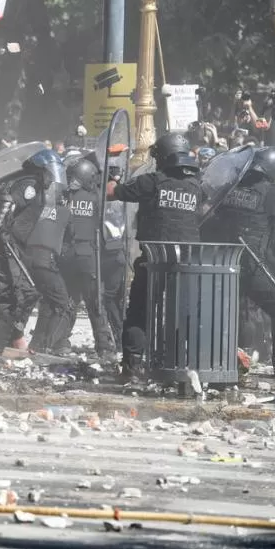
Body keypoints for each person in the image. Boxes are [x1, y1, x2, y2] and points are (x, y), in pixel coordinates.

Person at [107, 133, 202, 383]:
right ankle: (177, 363)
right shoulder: (197, 187)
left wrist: (112, 177)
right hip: (187, 264)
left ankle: (133, 367)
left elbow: (111, 193)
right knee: (182, 313)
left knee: (139, 311)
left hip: (153, 259)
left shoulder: (151, 182)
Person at [207, 148, 275, 387]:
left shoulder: (229, 188)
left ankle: (224, 367)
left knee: (227, 316)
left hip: (225, 267)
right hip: (253, 267)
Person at [9, 150, 74, 355]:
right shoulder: (30, 191)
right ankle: (43, 347)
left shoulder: (42, 201)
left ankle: (30, 342)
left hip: (30, 256)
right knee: (60, 302)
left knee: (36, 300)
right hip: (37, 257)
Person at [60, 157, 115, 360]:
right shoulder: (95, 198)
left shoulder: (64, 197)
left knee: (69, 300)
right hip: (88, 254)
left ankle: (60, 342)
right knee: (95, 302)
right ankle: (105, 347)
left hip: (66, 254)